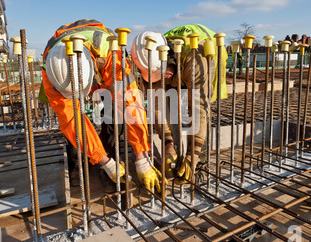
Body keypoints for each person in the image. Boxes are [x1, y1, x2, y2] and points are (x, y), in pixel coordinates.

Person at [40, 19, 166, 192]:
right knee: (70, 126)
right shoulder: (51, 77)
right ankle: (80, 165)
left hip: (103, 62)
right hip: (67, 75)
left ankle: (109, 151)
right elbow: (72, 122)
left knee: (117, 110)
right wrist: (106, 163)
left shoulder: (111, 55)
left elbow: (131, 106)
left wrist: (141, 156)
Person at [131, 24, 228, 184]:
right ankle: (176, 156)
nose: (164, 78)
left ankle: (198, 164)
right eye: (156, 76)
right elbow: (157, 109)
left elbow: (199, 110)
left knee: (196, 113)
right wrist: (167, 142)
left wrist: (193, 155)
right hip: (179, 67)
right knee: (174, 109)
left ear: (169, 57)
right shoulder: (150, 63)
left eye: (163, 74)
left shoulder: (195, 60)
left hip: (206, 56)